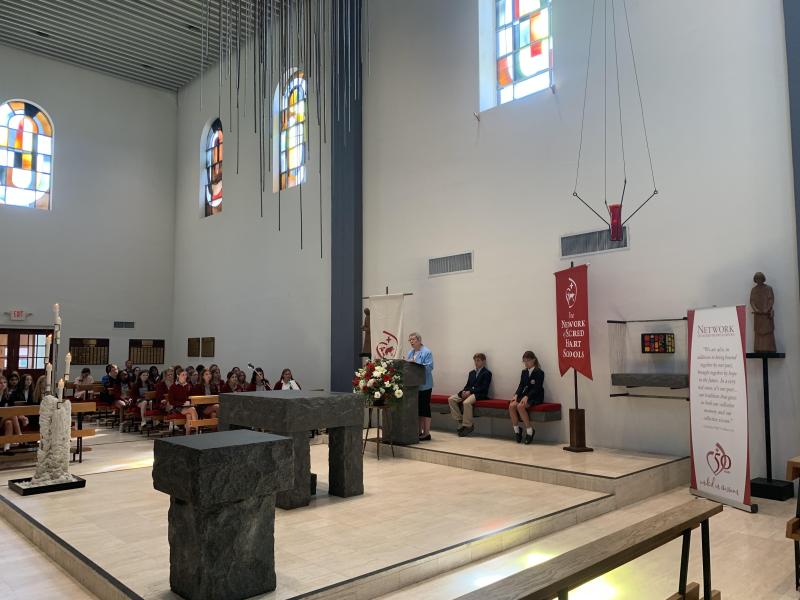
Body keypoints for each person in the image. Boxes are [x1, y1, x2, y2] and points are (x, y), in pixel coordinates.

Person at [448, 353, 492, 437]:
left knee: (466, 403)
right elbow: (467, 385)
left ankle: (468, 425)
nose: (476, 362)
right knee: (451, 399)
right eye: (475, 360)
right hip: (469, 392)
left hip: (480, 394)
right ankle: (460, 420)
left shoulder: (487, 373)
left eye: (478, 360)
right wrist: (463, 392)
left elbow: (484, 387)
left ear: (483, 361)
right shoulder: (471, 373)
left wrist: (470, 392)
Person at [508, 351, 545, 444]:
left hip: (535, 396)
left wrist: (527, 397)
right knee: (512, 405)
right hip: (524, 396)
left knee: (520, 406)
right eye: (524, 361)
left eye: (528, 361)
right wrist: (516, 395)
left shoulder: (539, 372)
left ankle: (530, 430)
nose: (526, 363)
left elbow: (537, 388)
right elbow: (521, 385)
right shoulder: (524, 372)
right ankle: (517, 430)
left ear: (533, 360)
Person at [407, 332, 434, 441]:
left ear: (419, 340)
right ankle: (418, 431)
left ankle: (426, 433)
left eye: (413, 339)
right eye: (410, 340)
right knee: (417, 409)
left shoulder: (427, 352)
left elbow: (429, 367)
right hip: (414, 386)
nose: (411, 342)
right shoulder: (410, 352)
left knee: (424, 408)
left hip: (425, 385)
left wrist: (416, 365)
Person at [168, 370, 199, 434]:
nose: (185, 376)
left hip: (187, 406)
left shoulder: (188, 385)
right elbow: (171, 401)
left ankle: (187, 435)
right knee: (192, 410)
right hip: (177, 407)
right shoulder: (173, 387)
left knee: (189, 415)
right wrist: (182, 404)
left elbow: (191, 396)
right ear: (178, 375)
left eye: (186, 375)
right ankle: (196, 430)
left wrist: (190, 402)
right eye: (183, 375)